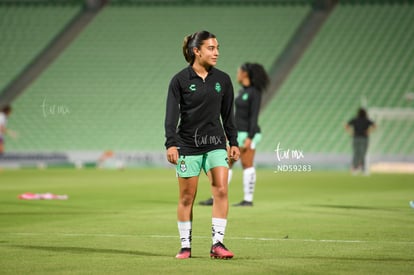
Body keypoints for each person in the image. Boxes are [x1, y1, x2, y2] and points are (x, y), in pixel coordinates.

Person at [164, 30, 240, 259]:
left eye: (217, 48)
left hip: (216, 143)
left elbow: (228, 115)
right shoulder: (179, 80)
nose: (216, 52)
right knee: (187, 197)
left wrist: (233, 142)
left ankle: (218, 244)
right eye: (211, 48)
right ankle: (185, 246)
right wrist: (171, 144)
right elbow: (171, 116)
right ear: (196, 51)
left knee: (221, 189)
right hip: (187, 145)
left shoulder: (223, 80)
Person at [199, 63, 269, 207]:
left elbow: (254, 117)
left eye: (239, 71)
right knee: (227, 164)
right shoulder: (242, 91)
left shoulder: (254, 92)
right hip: (238, 132)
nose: (237, 74)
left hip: (248, 133)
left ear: (245, 74)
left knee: (245, 164)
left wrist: (250, 137)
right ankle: (218, 195)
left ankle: (246, 199)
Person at [345, 107, 376, 175]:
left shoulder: (355, 119)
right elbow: (374, 126)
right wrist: (369, 131)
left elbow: (346, 125)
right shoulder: (366, 120)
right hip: (364, 138)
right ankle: (363, 169)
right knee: (363, 154)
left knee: (356, 153)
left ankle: (355, 168)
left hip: (356, 138)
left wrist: (351, 132)